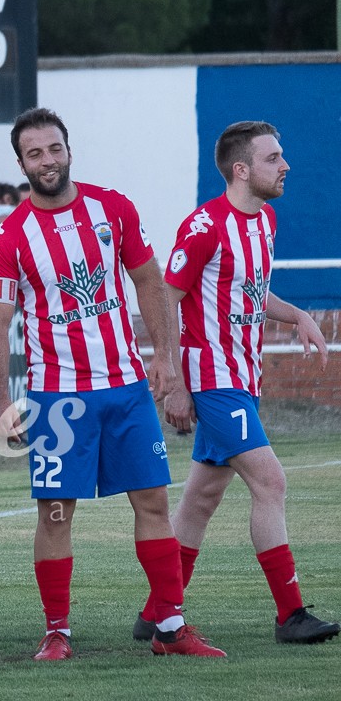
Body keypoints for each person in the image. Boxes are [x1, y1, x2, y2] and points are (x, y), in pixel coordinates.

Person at [0, 107, 225, 660]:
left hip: (127, 390)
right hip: (58, 396)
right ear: (21, 163)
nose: (47, 160)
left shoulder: (112, 208)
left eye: (54, 148)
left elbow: (148, 281)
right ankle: (57, 632)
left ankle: (170, 627)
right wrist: (1, 403)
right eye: (34, 153)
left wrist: (165, 356)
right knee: (56, 512)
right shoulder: (10, 236)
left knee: (153, 503)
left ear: (69, 148)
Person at [135, 121, 338, 645]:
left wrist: (297, 316)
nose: (285, 165)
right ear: (241, 169)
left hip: (241, 378)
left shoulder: (265, 220)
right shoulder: (205, 226)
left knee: (201, 499)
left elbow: (253, 292)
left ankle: (158, 611)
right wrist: (175, 382)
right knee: (271, 483)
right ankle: (290, 614)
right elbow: (165, 299)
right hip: (213, 379)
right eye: (274, 158)